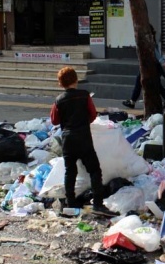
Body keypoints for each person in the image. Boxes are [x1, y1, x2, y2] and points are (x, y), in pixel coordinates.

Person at [50, 67, 117, 217]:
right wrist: (82, 122)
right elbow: (93, 115)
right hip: (83, 138)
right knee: (94, 170)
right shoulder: (85, 95)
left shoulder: (59, 100)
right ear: (76, 80)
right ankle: (98, 204)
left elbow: (54, 120)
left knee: (70, 172)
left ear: (60, 83)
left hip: (67, 139)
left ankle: (70, 204)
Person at [123, 25, 165, 109]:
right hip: (149, 65)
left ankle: (132, 101)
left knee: (140, 82)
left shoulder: (148, 39)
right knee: (156, 84)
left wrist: (162, 61)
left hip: (150, 65)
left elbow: (155, 51)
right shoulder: (149, 38)